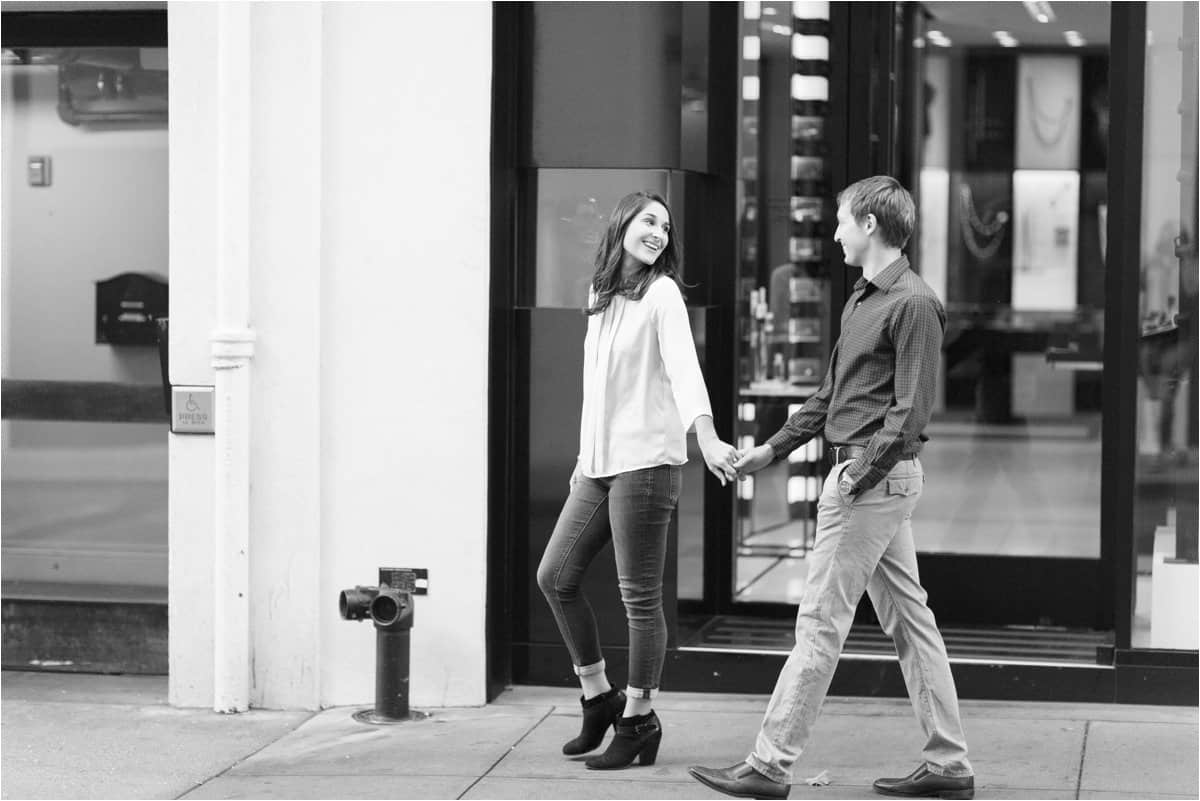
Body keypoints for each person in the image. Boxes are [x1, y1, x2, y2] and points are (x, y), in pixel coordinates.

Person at [689, 176, 975, 800]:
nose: (836, 231)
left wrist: (854, 480)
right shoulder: (861, 299)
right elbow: (829, 398)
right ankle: (949, 765)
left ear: (871, 224)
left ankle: (769, 764)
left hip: (871, 482)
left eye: (842, 220)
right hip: (873, 480)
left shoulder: (913, 303)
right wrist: (769, 450)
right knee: (909, 621)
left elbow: (910, 415)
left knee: (820, 622)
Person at [537, 190, 739, 771]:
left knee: (639, 600)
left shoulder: (663, 294)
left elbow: (683, 369)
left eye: (666, 227)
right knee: (555, 576)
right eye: (649, 221)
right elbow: (594, 385)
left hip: (647, 464)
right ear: (622, 223)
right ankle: (600, 696)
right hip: (598, 466)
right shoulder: (600, 295)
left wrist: (705, 435)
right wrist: (583, 455)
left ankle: (640, 717)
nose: (659, 233)